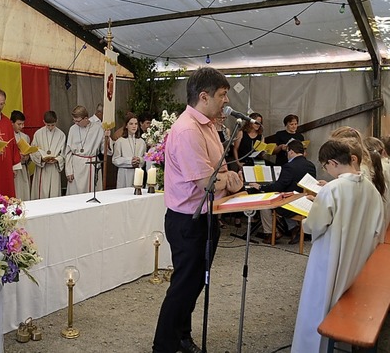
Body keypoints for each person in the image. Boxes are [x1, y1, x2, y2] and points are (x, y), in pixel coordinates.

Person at [152, 67, 243, 353]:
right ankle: (164, 345)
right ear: (203, 96)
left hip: (206, 216)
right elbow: (209, 181)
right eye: (222, 95)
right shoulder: (188, 129)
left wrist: (226, 179)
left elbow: (225, 172)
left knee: (194, 285)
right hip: (187, 220)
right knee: (183, 286)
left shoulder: (208, 126)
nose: (225, 102)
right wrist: (226, 180)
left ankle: (182, 336)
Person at [291, 139, 384, 352]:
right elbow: (377, 227)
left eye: (325, 166)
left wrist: (307, 219)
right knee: (340, 303)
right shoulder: (371, 189)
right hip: (357, 263)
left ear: (332, 163)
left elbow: (315, 225)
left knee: (317, 308)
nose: (326, 171)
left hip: (329, 261)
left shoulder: (333, 189)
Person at [247, 139, 316, 244]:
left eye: (287, 152)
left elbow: (278, 186)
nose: (287, 155)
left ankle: (271, 233)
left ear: (291, 151)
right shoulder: (311, 165)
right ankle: (293, 229)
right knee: (282, 198)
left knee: (265, 204)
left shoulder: (289, 166)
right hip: (306, 201)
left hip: (291, 204)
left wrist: (260, 187)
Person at [65, 105, 111, 195]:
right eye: (74, 120)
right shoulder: (73, 129)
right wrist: (69, 171)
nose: (75, 123)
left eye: (77, 121)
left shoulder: (98, 128)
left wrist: (107, 139)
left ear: (86, 118)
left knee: (93, 194)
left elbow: (105, 150)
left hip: (92, 165)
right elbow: (68, 152)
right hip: (76, 166)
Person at [30, 111, 66, 199]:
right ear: (44, 122)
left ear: (56, 121)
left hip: (54, 168)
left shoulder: (61, 135)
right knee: (41, 192)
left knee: (54, 192)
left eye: (53, 125)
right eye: (48, 125)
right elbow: (33, 150)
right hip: (42, 167)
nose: (50, 127)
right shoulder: (38, 133)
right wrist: (41, 159)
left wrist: (57, 159)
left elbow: (64, 153)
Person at [112, 113, 147, 188]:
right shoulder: (120, 141)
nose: (134, 126)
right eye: (131, 124)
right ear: (126, 126)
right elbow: (115, 159)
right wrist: (129, 161)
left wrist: (139, 160)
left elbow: (145, 158)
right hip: (124, 173)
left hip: (137, 172)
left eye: (136, 124)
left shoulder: (141, 142)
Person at [11, 110, 31, 201]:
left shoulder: (25, 137)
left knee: (25, 193)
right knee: (16, 192)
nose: (22, 126)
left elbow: (29, 152)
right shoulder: (9, 135)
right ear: (12, 123)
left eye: (23, 124)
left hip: (23, 168)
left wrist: (27, 156)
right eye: (19, 124)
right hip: (14, 169)